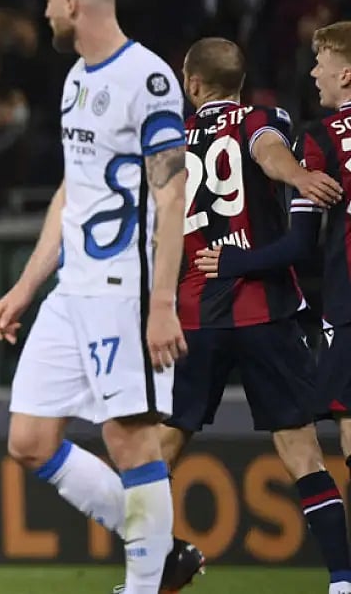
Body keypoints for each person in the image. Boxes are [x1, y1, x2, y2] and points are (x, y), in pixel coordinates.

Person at [0, 0, 199, 593]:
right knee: (28, 439)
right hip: (70, 288)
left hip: (123, 291)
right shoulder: (77, 76)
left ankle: (146, 581)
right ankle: (161, 551)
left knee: (130, 440)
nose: (46, 9)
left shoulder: (148, 79)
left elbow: (170, 193)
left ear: (75, 3)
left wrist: (162, 302)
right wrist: (27, 285)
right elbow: (71, 191)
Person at [172, 37, 351, 594]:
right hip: (264, 308)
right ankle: (343, 580)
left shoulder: (170, 140)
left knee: (157, 452)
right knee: (300, 449)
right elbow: (268, 150)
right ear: (240, 82)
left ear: (192, 84)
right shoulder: (261, 118)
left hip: (195, 309)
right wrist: (296, 175)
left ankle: (153, 565)